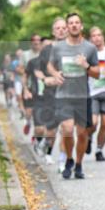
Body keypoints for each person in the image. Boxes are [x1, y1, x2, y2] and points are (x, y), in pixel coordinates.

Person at [47, 12, 100, 180]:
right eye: (71, 23)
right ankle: (69, 159)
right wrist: (55, 74)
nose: (74, 25)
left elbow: (97, 74)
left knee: (82, 133)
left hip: (82, 96)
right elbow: (50, 65)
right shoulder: (58, 47)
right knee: (67, 130)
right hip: (63, 96)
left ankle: (78, 164)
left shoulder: (89, 48)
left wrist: (86, 66)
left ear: (81, 26)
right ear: (68, 27)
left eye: (77, 23)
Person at [32, 19, 69, 165]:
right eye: (57, 28)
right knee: (51, 130)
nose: (61, 30)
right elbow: (37, 70)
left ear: (67, 30)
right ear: (53, 32)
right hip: (50, 94)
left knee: (66, 127)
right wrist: (45, 79)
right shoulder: (46, 50)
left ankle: (63, 159)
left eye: (63, 28)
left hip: (68, 93)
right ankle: (47, 150)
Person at [87, 27, 105, 161]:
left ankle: (99, 150)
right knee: (93, 123)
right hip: (92, 92)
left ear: (103, 37)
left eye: (99, 35)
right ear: (90, 38)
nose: (97, 38)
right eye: (94, 36)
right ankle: (88, 137)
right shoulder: (87, 54)